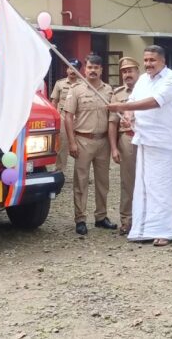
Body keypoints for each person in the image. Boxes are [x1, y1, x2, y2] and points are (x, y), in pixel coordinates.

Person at [107, 45, 172, 247]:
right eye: (146, 60)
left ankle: (167, 231)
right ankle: (145, 229)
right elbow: (134, 101)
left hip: (165, 144)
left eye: (153, 60)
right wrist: (128, 116)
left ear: (162, 61)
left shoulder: (171, 78)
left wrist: (122, 106)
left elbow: (153, 102)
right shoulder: (142, 80)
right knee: (146, 187)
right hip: (145, 141)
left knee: (164, 188)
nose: (149, 64)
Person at [64, 54, 115, 235]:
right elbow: (68, 116)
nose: (92, 71)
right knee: (81, 182)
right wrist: (71, 142)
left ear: (102, 70)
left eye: (96, 68)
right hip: (83, 140)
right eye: (90, 67)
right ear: (85, 69)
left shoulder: (109, 90)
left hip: (103, 142)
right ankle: (80, 219)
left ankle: (101, 216)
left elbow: (113, 118)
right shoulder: (76, 89)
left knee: (103, 182)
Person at [108, 57, 141, 236]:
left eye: (130, 70)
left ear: (138, 71)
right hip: (127, 140)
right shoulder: (118, 94)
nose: (127, 74)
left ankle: (146, 219)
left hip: (147, 139)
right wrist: (114, 148)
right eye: (124, 71)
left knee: (148, 180)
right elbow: (112, 123)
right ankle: (127, 220)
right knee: (128, 182)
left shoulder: (146, 90)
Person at [50, 59, 82, 171]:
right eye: (70, 68)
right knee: (62, 145)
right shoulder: (60, 83)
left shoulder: (84, 84)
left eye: (75, 68)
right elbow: (54, 101)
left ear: (79, 70)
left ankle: (81, 171)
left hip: (79, 119)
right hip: (63, 117)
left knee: (81, 146)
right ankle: (60, 170)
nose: (72, 71)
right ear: (67, 69)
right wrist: (54, 118)